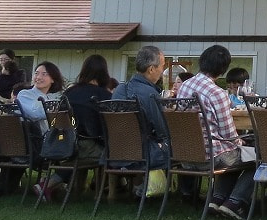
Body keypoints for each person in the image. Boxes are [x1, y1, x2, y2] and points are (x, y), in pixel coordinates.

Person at [178, 45, 257, 220]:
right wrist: (242, 143)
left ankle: (216, 200)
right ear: (223, 69)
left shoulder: (184, 87)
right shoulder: (217, 93)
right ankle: (234, 203)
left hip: (186, 156)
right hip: (210, 157)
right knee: (259, 157)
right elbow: (228, 134)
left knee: (235, 155)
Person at [48, 54, 114, 203]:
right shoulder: (103, 96)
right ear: (104, 73)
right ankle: (108, 192)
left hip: (64, 143)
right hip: (87, 145)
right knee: (114, 153)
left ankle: (71, 188)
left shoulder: (69, 93)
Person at [112, 46, 171, 197]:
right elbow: (162, 130)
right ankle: (187, 194)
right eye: (162, 65)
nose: (163, 70)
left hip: (115, 151)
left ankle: (139, 185)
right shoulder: (150, 94)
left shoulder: (119, 89)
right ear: (151, 69)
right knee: (182, 146)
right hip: (143, 154)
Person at [17, 61, 65, 136]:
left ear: (53, 79)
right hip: (34, 140)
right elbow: (35, 114)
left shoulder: (52, 97)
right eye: (36, 73)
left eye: (44, 74)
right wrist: (57, 111)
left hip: (51, 139)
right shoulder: (24, 94)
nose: (38, 77)